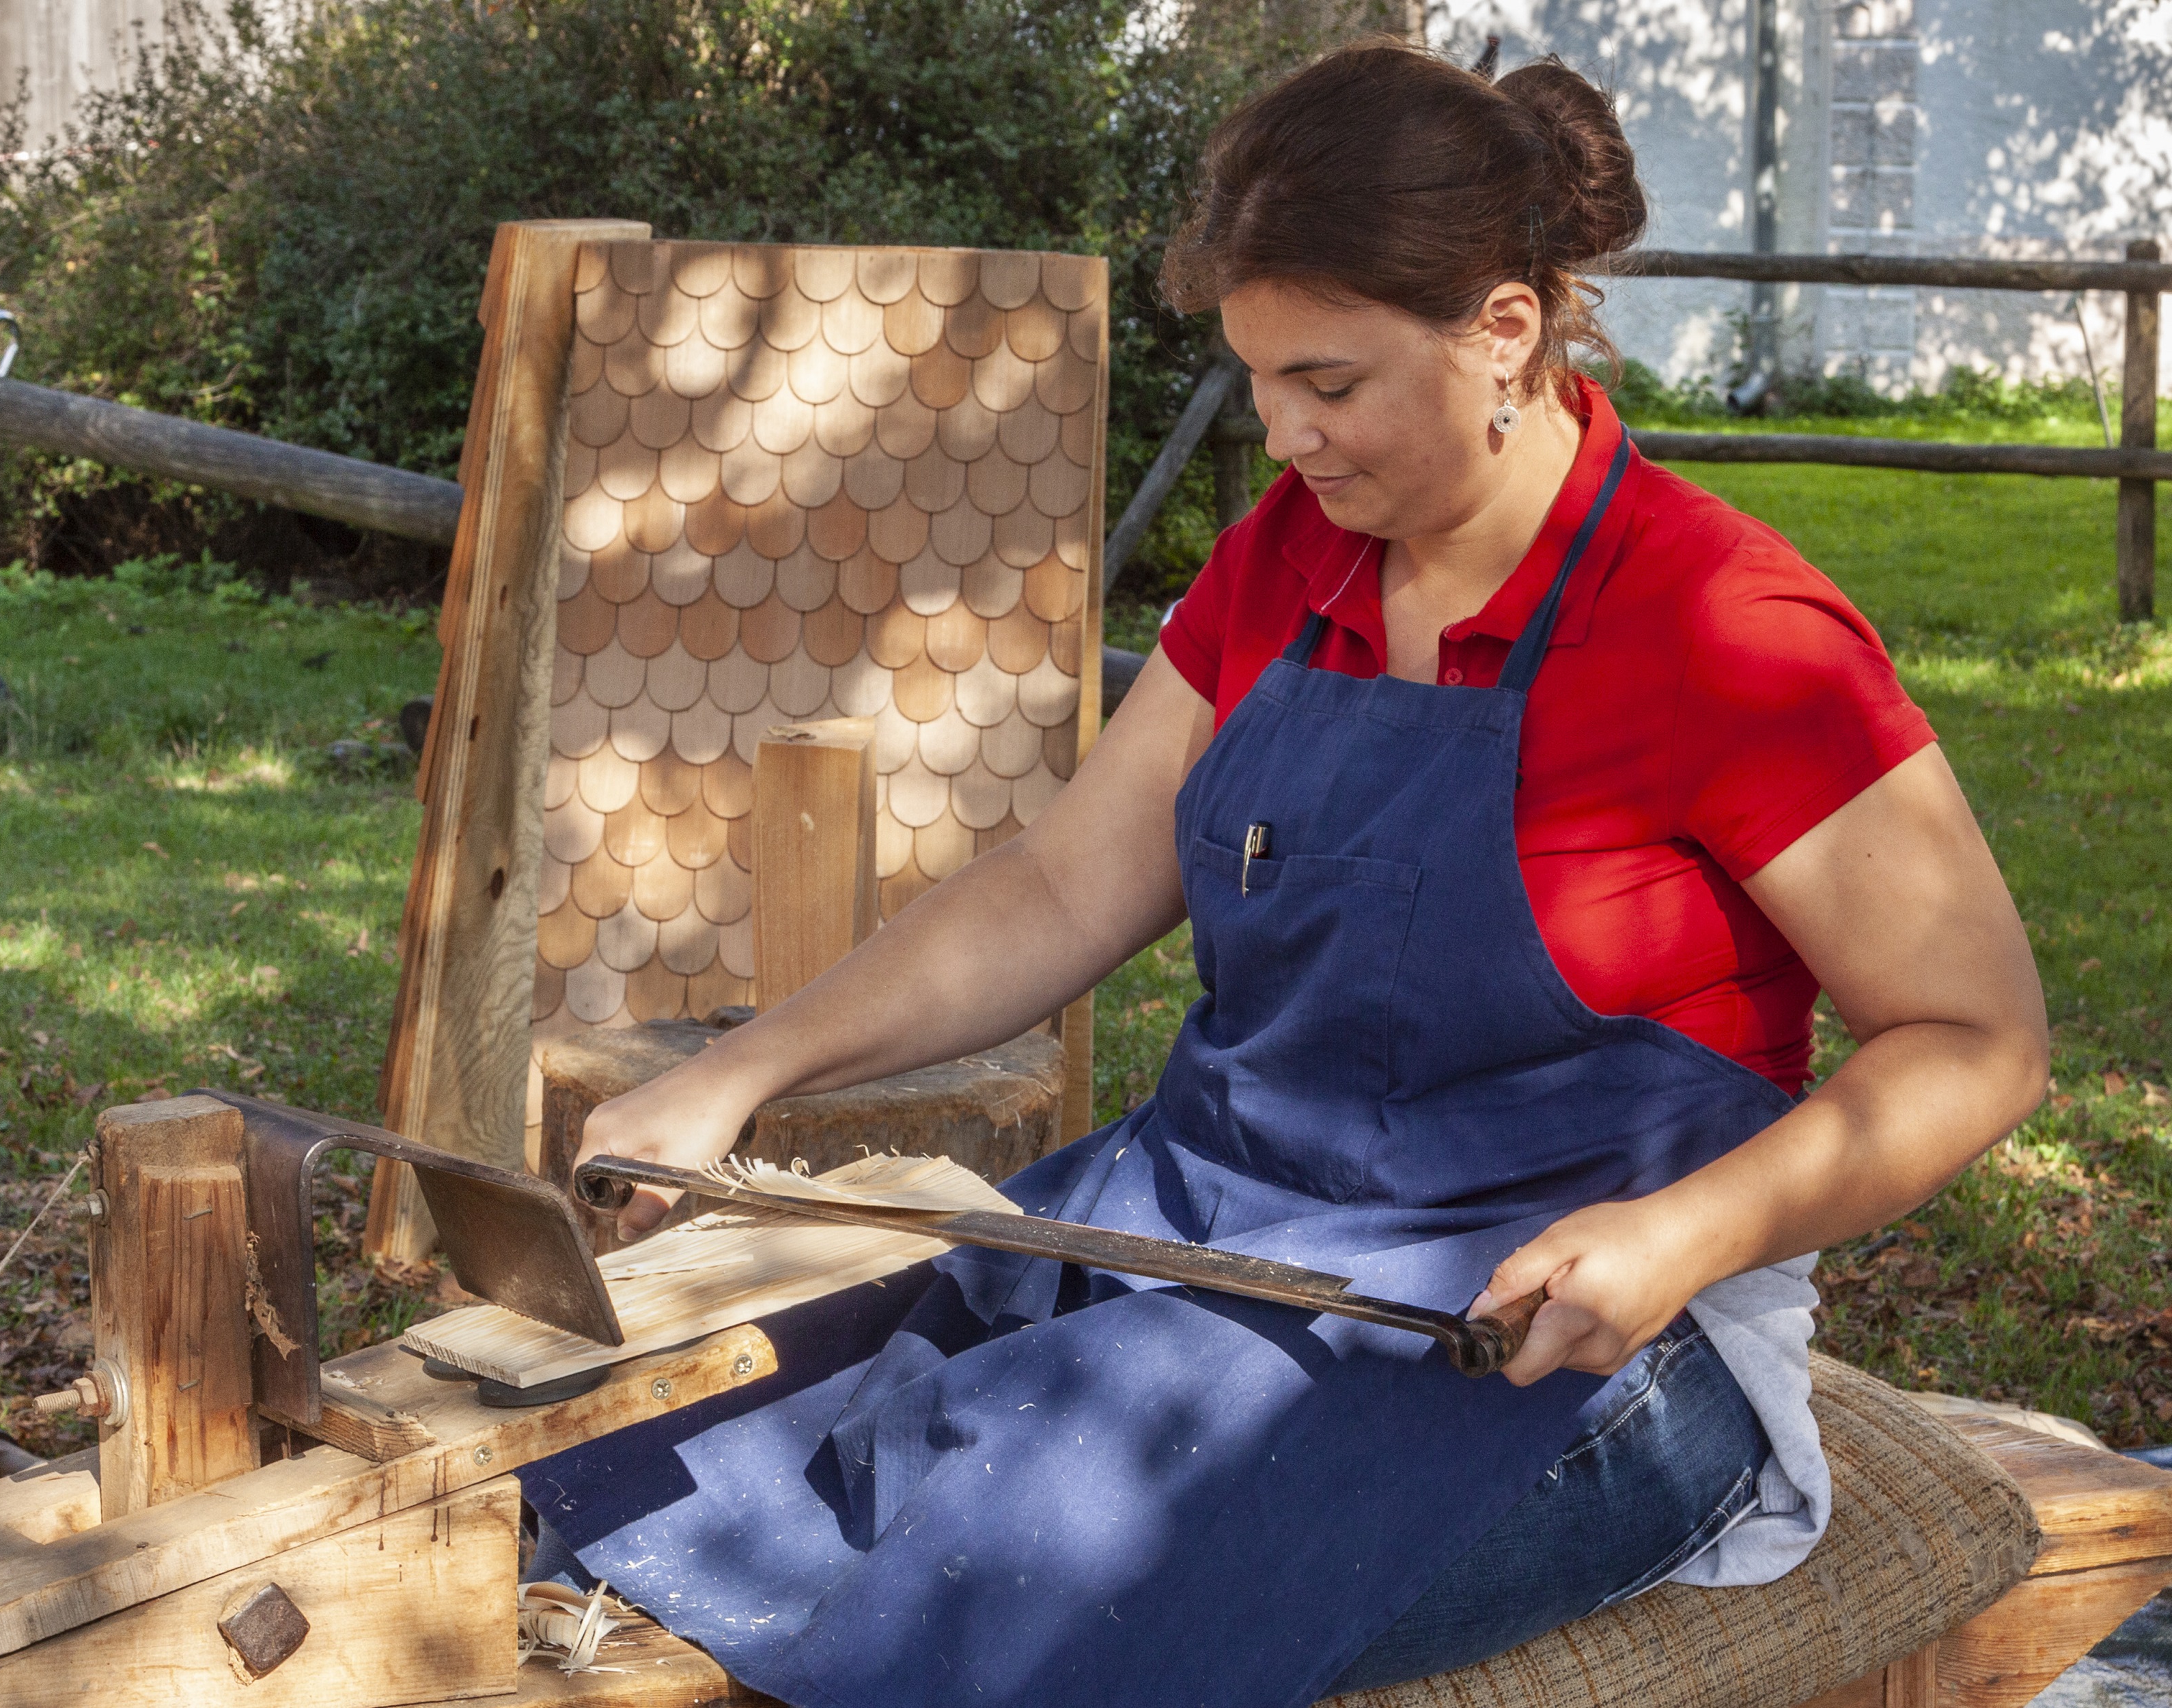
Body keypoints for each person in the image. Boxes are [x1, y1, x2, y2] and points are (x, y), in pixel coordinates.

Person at [525, 38, 2048, 1708]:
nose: (1285, 433)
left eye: (1328, 382)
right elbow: (1056, 890)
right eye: (1256, 379)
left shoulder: (1728, 631)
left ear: (1505, 336)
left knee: (1003, 1614)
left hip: (1549, 1337)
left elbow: (1976, 1040)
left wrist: (1685, 1237)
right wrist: (742, 1074)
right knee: (671, 1473)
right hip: (1201, 1240)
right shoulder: (1285, 566)